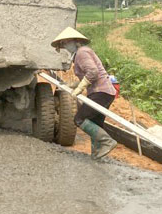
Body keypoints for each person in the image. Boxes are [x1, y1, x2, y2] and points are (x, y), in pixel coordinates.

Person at [51, 27, 119, 160]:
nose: (64, 46)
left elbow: (93, 73)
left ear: (75, 41)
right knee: (95, 122)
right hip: (105, 92)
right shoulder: (80, 55)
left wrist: (79, 89)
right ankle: (97, 155)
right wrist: (71, 85)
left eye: (66, 42)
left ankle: (107, 141)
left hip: (101, 92)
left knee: (79, 119)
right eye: (63, 44)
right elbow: (88, 75)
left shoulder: (82, 52)